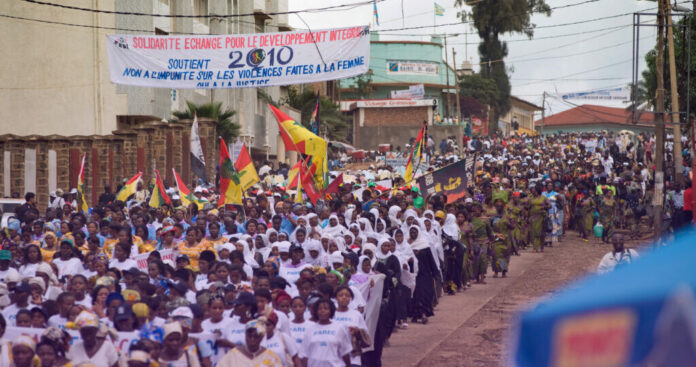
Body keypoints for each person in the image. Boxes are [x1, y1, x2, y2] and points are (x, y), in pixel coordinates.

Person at [299, 299, 352, 367]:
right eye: (320, 309)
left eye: (326, 308)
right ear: (316, 311)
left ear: (331, 311)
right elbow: (304, 354)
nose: (322, 311)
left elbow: (345, 352)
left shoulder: (339, 328)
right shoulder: (310, 329)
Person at [217, 318, 283, 367]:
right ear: (245, 335)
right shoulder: (233, 354)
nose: (252, 339)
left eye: (256, 336)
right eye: (249, 336)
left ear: (262, 338)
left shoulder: (270, 356)